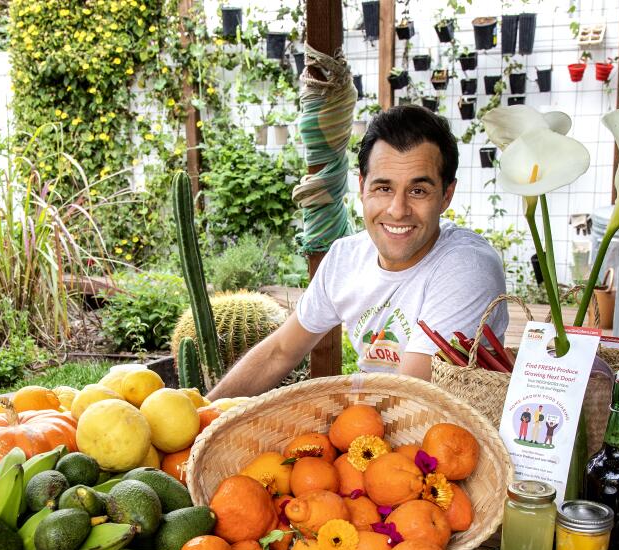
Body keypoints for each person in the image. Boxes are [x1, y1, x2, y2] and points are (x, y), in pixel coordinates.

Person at [207, 105, 508, 400]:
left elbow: (410, 394)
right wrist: (205, 415)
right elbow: (280, 352)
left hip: (440, 439)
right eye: (383, 188)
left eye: (418, 191)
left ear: (446, 196)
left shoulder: (468, 268)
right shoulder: (345, 258)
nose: (398, 210)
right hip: (368, 426)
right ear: (362, 188)